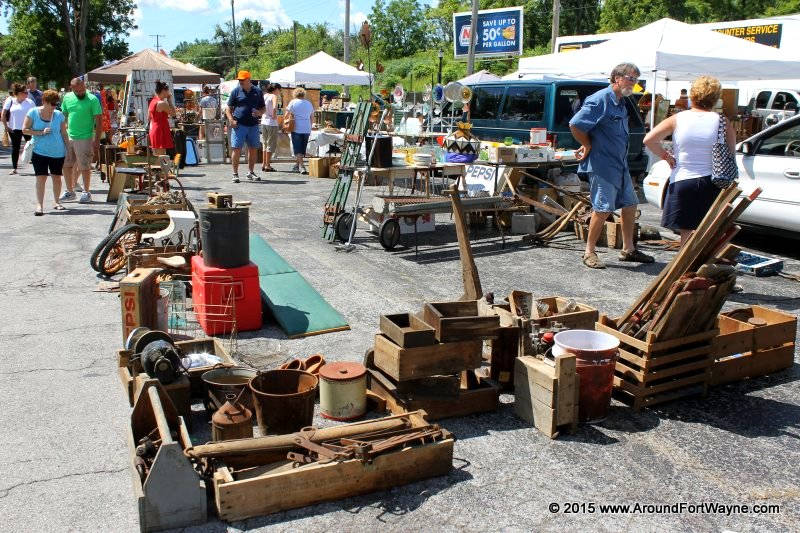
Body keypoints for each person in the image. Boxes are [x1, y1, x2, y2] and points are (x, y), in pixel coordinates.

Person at [569, 62, 654, 269]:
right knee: (603, 208)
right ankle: (589, 252)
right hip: (603, 164)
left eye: (636, 80)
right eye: (631, 79)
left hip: (620, 164)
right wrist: (586, 144)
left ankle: (628, 249)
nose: (634, 84)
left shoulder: (621, 101)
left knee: (630, 204)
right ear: (617, 78)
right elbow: (575, 124)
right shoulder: (600, 100)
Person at [644, 76, 735, 247]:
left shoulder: (678, 119)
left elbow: (649, 140)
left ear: (693, 96)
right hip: (713, 181)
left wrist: (666, 156)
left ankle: (685, 268)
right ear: (715, 98)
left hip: (683, 179)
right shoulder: (722, 121)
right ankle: (704, 268)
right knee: (709, 231)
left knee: (686, 234)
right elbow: (731, 152)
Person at [22, 89, 68, 215]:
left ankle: (56, 201)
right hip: (39, 151)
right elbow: (25, 130)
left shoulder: (59, 115)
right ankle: (39, 205)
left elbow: (64, 133)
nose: (54, 106)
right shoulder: (33, 112)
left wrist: (69, 149)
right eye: (52, 103)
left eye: (56, 103)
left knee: (57, 178)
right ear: (44, 101)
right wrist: (40, 132)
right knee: (41, 178)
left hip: (58, 152)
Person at [60, 77, 102, 203]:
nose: (80, 92)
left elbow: (99, 121)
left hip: (85, 137)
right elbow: (64, 115)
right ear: (71, 88)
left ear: (84, 86)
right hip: (69, 136)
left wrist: (97, 140)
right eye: (77, 91)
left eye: (82, 89)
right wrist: (63, 133)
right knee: (66, 165)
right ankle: (69, 191)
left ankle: (86, 192)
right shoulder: (67, 97)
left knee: (84, 166)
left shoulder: (92, 99)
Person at [226, 70, 265, 183]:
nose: (240, 82)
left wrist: (260, 113)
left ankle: (251, 172)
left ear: (248, 79)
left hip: (253, 125)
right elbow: (228, 108)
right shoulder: (236, 91)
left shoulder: (257, 91)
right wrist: (231, 120)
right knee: (236, 149)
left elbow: (263, 108)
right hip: (239, 125)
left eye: (242, 80)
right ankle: (235, 174)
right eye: (239, 80)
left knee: (253, 149)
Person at [6, 83, 35, 174]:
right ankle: (14, 168)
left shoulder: (30, 102)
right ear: (18, 93)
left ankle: (36, 167)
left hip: (28, 128)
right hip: (14, 128)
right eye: (24, 92)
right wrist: (6, 126)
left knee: (32, 147)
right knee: (15, 148)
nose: (26, 94)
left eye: (27, 92)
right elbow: (3, 114)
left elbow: (35, 114)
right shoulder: (10, 100)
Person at [285, 87, 314, 174]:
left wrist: (288, 120)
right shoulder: (309, 103)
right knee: (302, 148)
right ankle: (297, 165)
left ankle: (302, 166)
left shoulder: (293, 102)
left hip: (296, 127)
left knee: (297, 148)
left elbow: (286, 115)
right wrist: (310, 126)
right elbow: (312, 117)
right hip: (307, 128)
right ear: (304, 94)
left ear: (295, 94)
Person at [148, 80, 176, 156]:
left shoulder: (153, 101)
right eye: (168, 90)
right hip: (160, 129)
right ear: (164, 91)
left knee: (157, 154)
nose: (169, 92)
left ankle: (158, 167)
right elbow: (173, 113)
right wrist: (169, 100)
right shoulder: (162, 103)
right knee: (161, 155)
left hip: (154, 128)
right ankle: (161, 168)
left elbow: (149, 117)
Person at [260, 83, 279, 172]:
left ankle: (264, 164)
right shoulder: (274, 96)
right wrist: (274, 115)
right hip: (271, 122)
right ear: (276, 89)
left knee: (265, 143)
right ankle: (267, 165)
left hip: (264, 121)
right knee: (270, 144)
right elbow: (275, 107)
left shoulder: (264, 96)